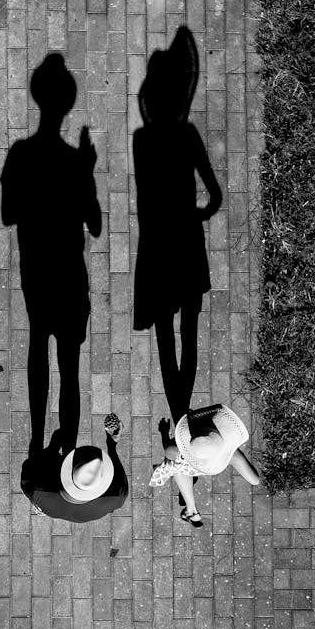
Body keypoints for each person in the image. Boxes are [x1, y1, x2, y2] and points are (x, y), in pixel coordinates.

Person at [0, 53, 102, 459]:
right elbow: (94, 226)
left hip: (37, 266)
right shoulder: (76, 162)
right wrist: (86, 171)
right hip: (69, 270)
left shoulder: (20, 154)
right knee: (69, 363)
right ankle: (69, 445)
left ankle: (36, 438)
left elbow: (9, 215)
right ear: (66, 105)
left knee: (37, 344)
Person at [132, 26, 223, 426]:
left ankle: (181, 424)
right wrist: (197, 215)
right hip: (186, 240)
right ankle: (181, 428)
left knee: (167, 335)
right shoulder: (186, 135)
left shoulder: (142, 140)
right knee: (189, 329)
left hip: (156, 242)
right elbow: (214, 196)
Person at [150, 405, 260, 527]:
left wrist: (164, 433)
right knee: (178, 464)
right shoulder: (232, 454)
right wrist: (234, 452)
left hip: (191, 463)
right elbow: (255, 480)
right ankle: (190, 511)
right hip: (213, 465)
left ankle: (192, 509)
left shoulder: (180, 450)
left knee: (177, 465)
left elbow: (168, 451)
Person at [21, 414, 128, 522]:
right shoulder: (116, 498)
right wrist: (112, 444)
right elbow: (119, 478)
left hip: (50, 477)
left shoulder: (40, 493)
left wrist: (52, 448)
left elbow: (27, 469)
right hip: (51, 508)